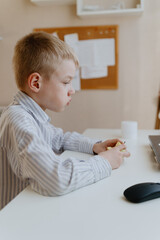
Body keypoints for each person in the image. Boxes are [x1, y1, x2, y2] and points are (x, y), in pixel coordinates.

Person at [0, 32, 130, 210]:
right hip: (15, 216)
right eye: (66, 82)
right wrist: (105, 162)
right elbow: (56, 179)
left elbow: (59, 139)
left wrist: (95, 146)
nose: (72, 90)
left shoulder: (31, 115)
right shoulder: (19, 119)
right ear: (36, 83)